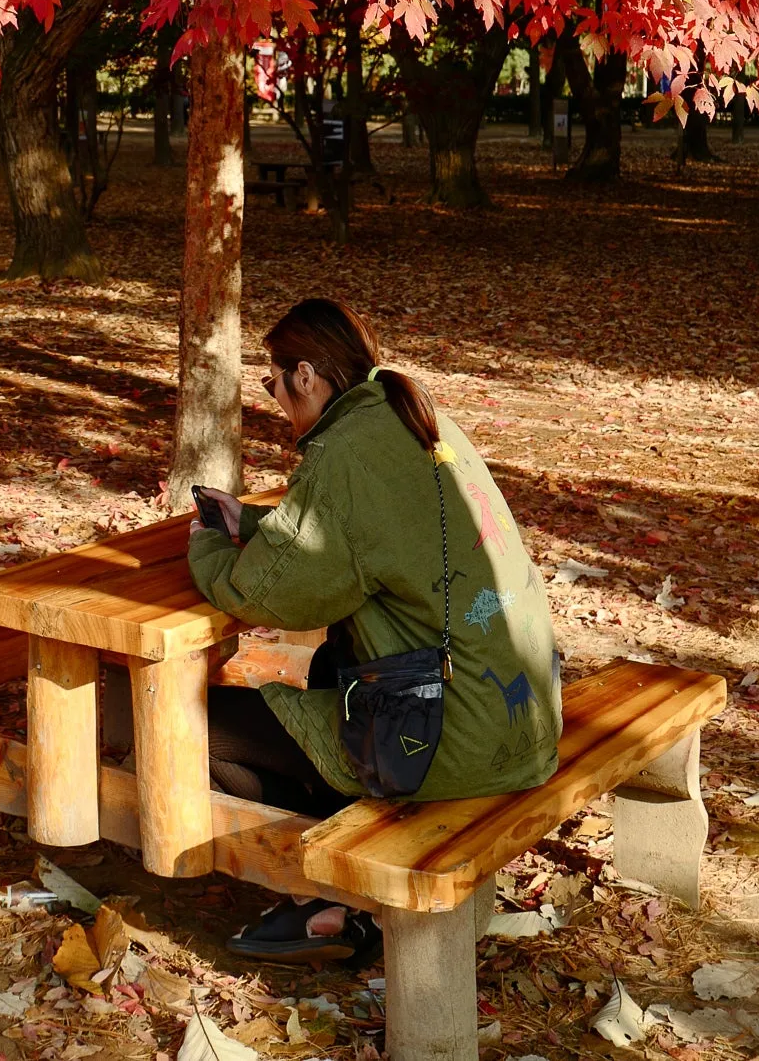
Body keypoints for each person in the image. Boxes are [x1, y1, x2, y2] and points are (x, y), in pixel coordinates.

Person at [188, 298, 561, 966]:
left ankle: (322, 900)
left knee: (183, 724)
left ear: (305, 375)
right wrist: (249, 523)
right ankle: (332, 883)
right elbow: (363, 545)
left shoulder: (347, 451)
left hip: (447, 738)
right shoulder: (411, 416)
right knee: (331, 664)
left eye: (271, 383)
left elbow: (268, 593)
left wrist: (205, 545)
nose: (272, 398)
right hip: (518, 714)